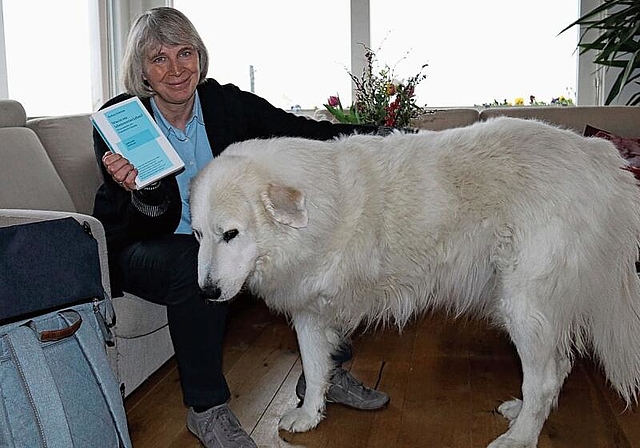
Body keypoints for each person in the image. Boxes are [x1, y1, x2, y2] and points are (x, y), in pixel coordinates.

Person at [92, 7, 389, 448]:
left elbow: (301, 133)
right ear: (141, 70)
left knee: (314, 249)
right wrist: (142, 190)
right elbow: (138, 219)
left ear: (199, 57)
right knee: (189, 263)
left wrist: (384, 136)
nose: (176, 69)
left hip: (226, 239)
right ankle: (206, 410)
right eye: (159, 58)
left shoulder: (223, 103)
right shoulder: (121, 120)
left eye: (185, 53)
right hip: (145, 242)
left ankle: (328, 375)